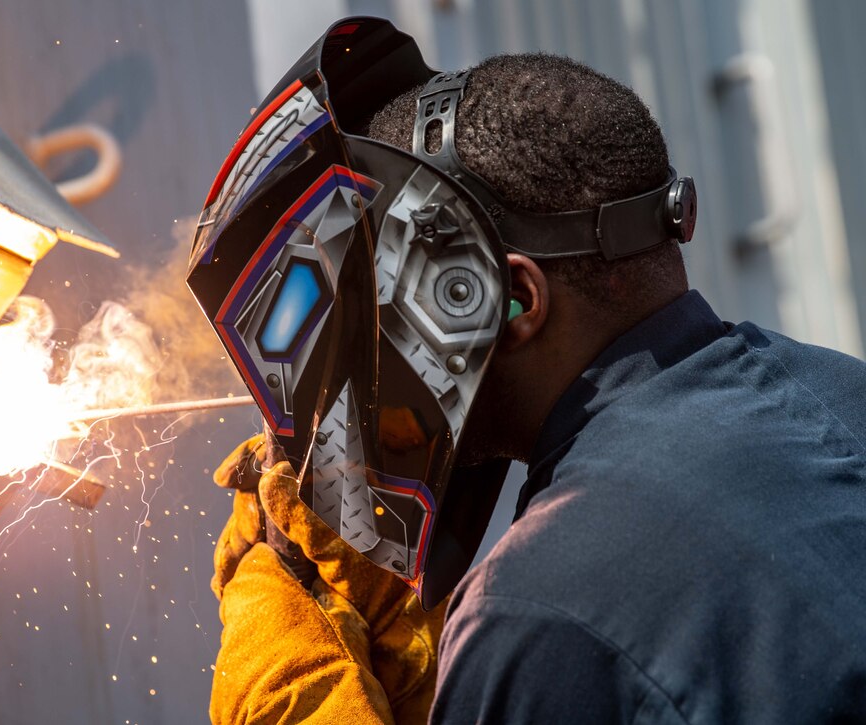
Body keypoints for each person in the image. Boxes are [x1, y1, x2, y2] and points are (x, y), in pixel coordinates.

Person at [190, 18, 866, 724]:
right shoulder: (838, 388)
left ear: (505, 301)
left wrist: (295, 696)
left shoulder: (538, 611)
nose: (366, 366)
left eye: (378, 316)